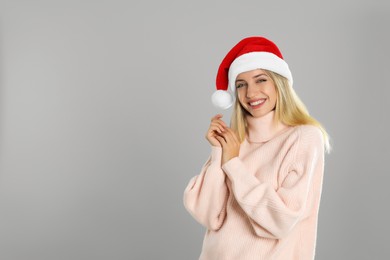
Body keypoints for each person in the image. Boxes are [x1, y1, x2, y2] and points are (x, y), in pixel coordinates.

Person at [183, 36, 331, 260]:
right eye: (241, 85)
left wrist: (233, 165)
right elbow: (208, 215)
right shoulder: (235, 140)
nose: (251, 93)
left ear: (279, 83)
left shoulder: (303, 138)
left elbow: (280, 221)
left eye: (261, 80)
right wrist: (218, 153)